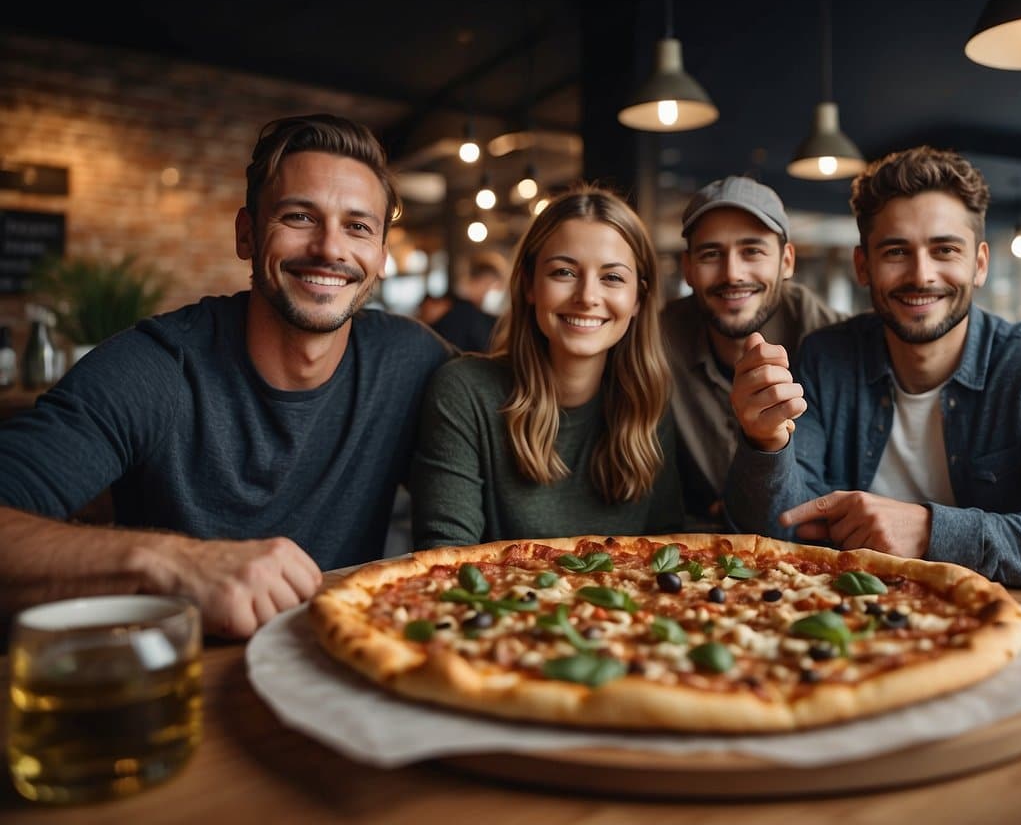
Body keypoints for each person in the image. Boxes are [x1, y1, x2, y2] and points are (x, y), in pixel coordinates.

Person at [0, 114, 453, 637]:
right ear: (246, 234)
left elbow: (527, 427)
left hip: (344, 673)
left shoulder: (411, 360)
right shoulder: (154, 368)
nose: (330, 248)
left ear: (380, 257)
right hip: (182, 680)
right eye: (300, 217)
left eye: (358, 226)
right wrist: (168, 565)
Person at [725, 145, 1021, 588]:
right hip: (849, 619)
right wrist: (765, 444)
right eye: (895, 252)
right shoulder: (825, 357)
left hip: (1010, 619)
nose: (921, 275)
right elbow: (784, 527)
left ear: (979, 264)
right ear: (863, 266)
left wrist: (930, 530)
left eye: (945, 250)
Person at [410, 185, 683, 548]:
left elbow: (669, 554)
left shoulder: (648, 400)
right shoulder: (465, 391)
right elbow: (444, 559)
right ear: (529, 285)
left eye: (612, 277)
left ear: (638, 299)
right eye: (564, 272)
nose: (587, 297)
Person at [661, 176, 843, 528]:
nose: (733, 273)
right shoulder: (655, 343)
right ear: (687, 268)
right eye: (711, 254)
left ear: (787, 261)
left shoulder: (832, 341)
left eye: (752, 251)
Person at [416, 251, 507, 353]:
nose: (496, 291)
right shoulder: (456, 310)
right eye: (492, 284)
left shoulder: (489, 318)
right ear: (479, 280)